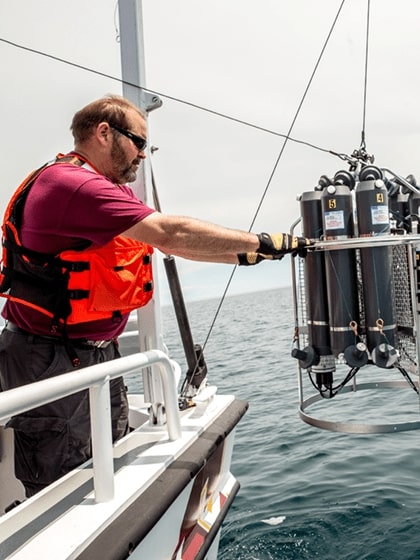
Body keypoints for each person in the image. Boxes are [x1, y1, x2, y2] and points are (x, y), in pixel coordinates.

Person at [0, 95, 310, 498]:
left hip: (91, 354)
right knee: (59, 487)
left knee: (103, 467)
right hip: (49, 359)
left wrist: (250, 255)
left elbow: (173, 245)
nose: (143, 155)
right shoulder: (71, 185)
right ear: (104, 132)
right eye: (139, 142)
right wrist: (265, 241)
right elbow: (170, 232)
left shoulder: (102, 187)